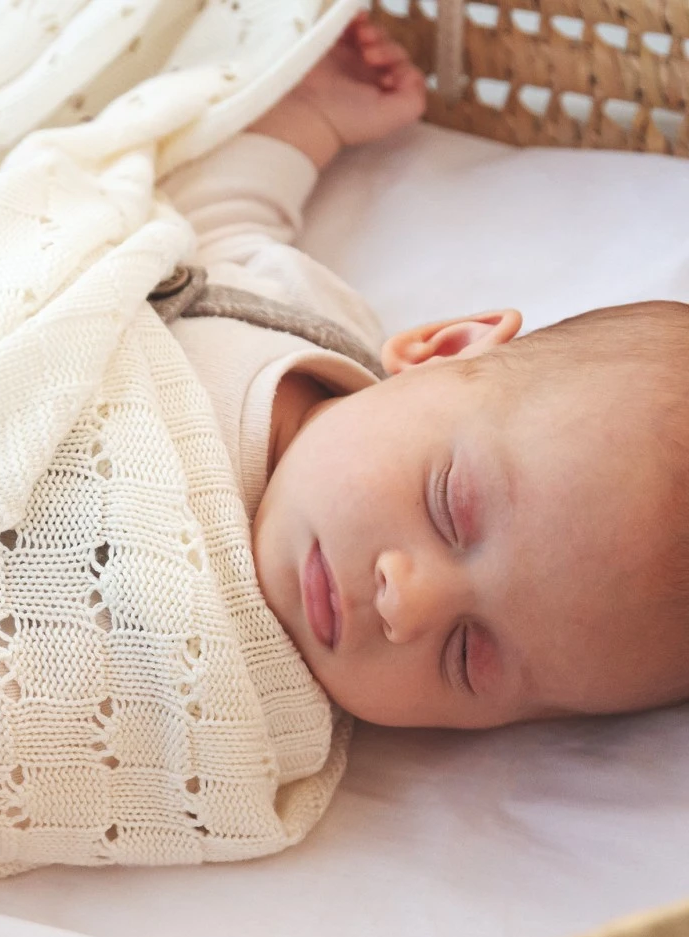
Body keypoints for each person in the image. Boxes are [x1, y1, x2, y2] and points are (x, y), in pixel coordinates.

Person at [161, 12, 689, 729]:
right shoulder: (284, 313)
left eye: (467, 657)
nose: (404, 604)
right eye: (447, 505)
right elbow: (199, 215)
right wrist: (315, 116)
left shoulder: (249, 720)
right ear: (440, 350)